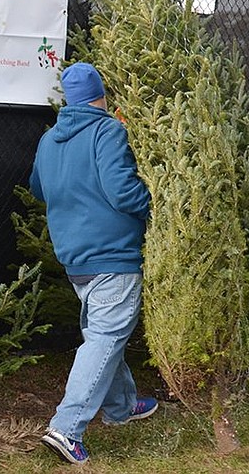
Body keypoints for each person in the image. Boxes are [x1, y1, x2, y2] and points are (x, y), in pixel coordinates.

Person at [29, 62, 158, 465]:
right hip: (113, 254)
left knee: (104, 332)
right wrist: (157, 206)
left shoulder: (49, 140)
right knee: (104, 336)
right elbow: (123, 192)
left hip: (75, 257)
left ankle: (121, 406)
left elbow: (38, 187)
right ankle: (66, 429)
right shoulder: (108, 131)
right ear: (101, 94)